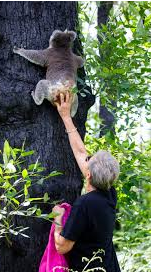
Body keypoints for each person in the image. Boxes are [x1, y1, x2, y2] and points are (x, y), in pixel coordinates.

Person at [52, 92, 121, 272]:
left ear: (88, 175)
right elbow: (82, 153)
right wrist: (65, 116)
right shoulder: (109, 193)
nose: (86, 160)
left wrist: (58, 219)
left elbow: (62, 246)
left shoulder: (85, 204)